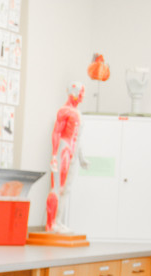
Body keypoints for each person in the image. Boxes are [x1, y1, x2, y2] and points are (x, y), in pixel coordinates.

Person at [46, 81, 89, 233]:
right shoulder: (64, 111)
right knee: (58, 187)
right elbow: (57, 132)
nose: (82, 96)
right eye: (80, 93)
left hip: (73, 151)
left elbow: (78, 138)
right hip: (63, 149)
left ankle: (58, 221)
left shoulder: (78, 114)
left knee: (66, 189)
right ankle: (51, 224)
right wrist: (54, 156)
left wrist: (82, 158)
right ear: (72, 92)